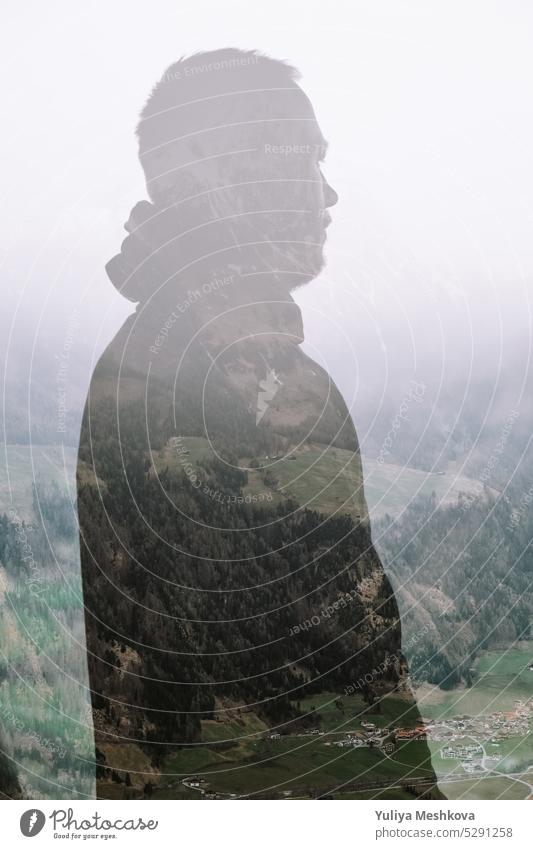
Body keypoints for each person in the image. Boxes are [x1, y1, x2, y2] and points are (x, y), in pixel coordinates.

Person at [77, 48, 442, 799]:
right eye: (307, 155)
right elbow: (341, 682)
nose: (329, 192)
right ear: (223, 169)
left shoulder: (159, 339)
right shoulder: (256, 375)